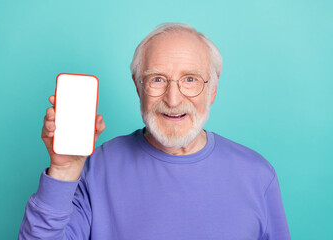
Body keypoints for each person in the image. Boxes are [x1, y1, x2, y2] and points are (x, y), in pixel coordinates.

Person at [19, 23, 290, 240]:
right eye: (157, 79)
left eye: (190, 79)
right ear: (139, 88)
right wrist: (64, 172)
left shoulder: (257, 174)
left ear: (212, 92)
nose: (173, 99)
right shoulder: (96, 168)